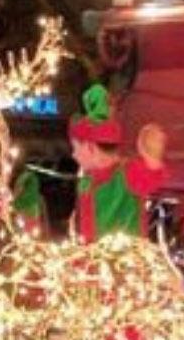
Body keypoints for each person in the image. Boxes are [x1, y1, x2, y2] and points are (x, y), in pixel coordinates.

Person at [68, 84, 166, 242]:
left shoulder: (126, 173)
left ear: (90, 147)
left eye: (76, 148)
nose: (73, 155)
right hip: (94, 260)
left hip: (125, 261)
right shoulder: (86, 181)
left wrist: (152, 157)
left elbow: (150, 178)